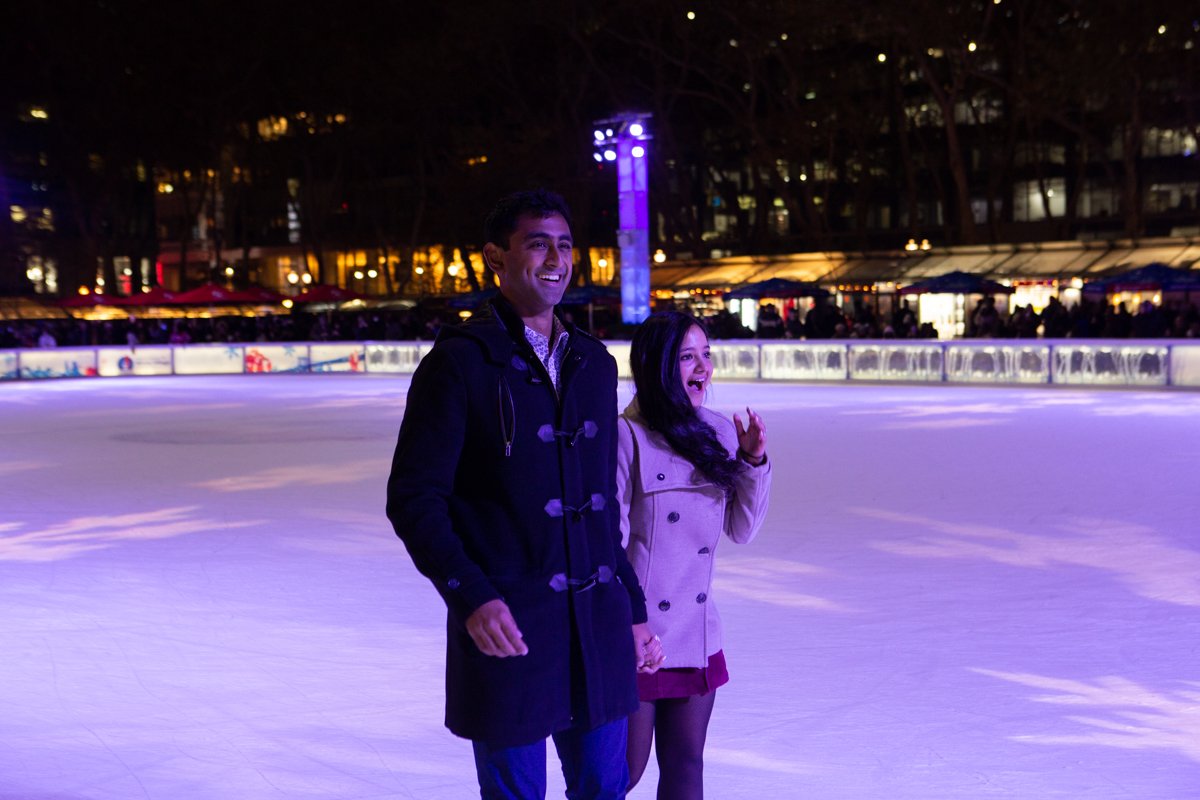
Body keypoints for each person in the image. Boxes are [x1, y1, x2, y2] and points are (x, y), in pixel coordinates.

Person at [386, 189, 662, 799]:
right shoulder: (460, 363)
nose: (556, 259)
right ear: (496, 258)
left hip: (597, 625)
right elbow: (414, 497)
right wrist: (472, 597)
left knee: (604, 789)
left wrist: (633, 608)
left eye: (564, 245)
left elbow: (602, 507)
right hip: (510, 625)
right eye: (538, 243)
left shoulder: (593, 363)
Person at [616, 311, 772, 798]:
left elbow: (741, 529)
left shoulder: (719, 432)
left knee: (686, 771)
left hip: (695, 633)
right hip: (638, 637)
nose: (702, 366)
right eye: (687, 356)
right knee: (623, 772)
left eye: (706, 354)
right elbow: (608, 540)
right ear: (659, 365)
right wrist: (627, 625)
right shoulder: (627, 435)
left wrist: (752, 462)